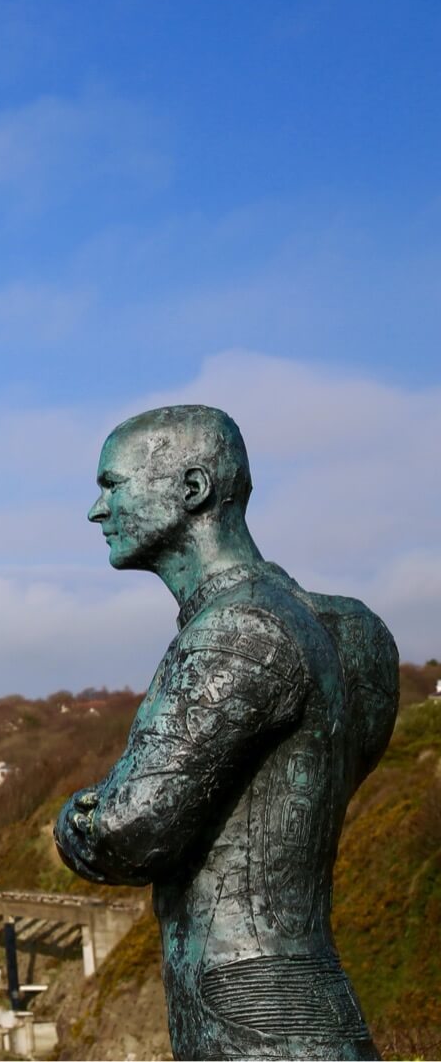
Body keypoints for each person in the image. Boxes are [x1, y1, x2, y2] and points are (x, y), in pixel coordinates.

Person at [55, 405, 398, 1060]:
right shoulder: (357, 631)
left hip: (246, 1023)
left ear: (192, 489)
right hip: (320, 1002)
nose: (96, 512)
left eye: (112, 485)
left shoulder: (237, 631)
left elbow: (127, 833)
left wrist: (73, 819)